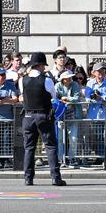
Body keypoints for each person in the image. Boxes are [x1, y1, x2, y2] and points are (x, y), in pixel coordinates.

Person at [18, 52, 65, 186]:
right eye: (43, 65)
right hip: (43, 115)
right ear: (39, 65)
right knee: (50, 146)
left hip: (28, 116)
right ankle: (55, 177)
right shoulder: (46, 80)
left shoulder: (22, 80)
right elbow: (53, 97)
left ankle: (28, 178)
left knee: (29, 148)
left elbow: (23, 94)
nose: (44, 68)